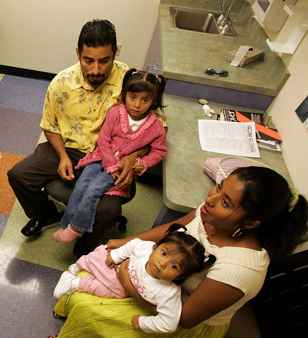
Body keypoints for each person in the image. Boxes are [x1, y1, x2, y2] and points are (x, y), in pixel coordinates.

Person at [52, 167, 308, 337]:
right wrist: (127, 242)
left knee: (89, 308)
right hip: (159, 285)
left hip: (177, 315)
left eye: (226, 202)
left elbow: (183, 319)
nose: (210, 199)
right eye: (219, 187)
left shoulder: (240, 269)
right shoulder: (213, 214)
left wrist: (128, 282)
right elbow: (173, 229)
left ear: (251, 223)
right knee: (94, 265)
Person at [7, 19, 167, 257]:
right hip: (69, 148)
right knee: (19, 175)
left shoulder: (129, 80)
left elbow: (156, 126)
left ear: (115, 53)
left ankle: (86, 242)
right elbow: (50, 125)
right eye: (88, 60)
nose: (96, 70)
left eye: (105, 61)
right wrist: (61, 156)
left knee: (109, 211)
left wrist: (134, 156)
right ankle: (45, 213)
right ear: (78, 53)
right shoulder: (61, 83)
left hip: (113, 155)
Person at [53, 69, 168, 243]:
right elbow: (104, 140)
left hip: (121, 168)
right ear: (125, 94)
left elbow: (160, 151)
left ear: (153, 101)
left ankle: (77, 228)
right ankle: (66, 223)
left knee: (93, 189)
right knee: (82, 184)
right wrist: (110, 164)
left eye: (145, 100)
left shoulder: (156, 127)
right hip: (101, 159)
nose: (137, 105)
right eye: (133, 97)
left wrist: (143, 163)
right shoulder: (116, 113)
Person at [53, 224, 216, 334]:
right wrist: (116, 256)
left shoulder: (168, 292)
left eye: (174, 266)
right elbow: (133, 244)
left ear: (180, 276)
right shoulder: (146, 249)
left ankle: (73, 282)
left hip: (121, 288)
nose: (162, 263)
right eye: (164, 253)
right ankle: (77, 268)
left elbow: (169, 324)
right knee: (101, 254)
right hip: (124, 267)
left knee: (110, 291)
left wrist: (143, 323)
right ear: (157, 246)